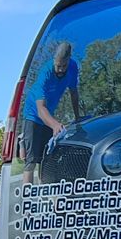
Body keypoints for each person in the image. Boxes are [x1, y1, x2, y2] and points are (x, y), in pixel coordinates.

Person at [23, 41, 81, 181]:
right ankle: (28, 201)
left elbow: (74, 93)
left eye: (63, 66)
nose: (60, 70)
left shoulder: (73, 67)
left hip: (49, 117)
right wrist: (55, 124)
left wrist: (78, 117)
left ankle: (52, 201)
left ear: (69, 60)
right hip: (33, 115)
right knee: (31, 162)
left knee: (48, 162)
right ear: (54, 61)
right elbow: (41, 109)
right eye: (58, 66)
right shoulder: (45, 73)